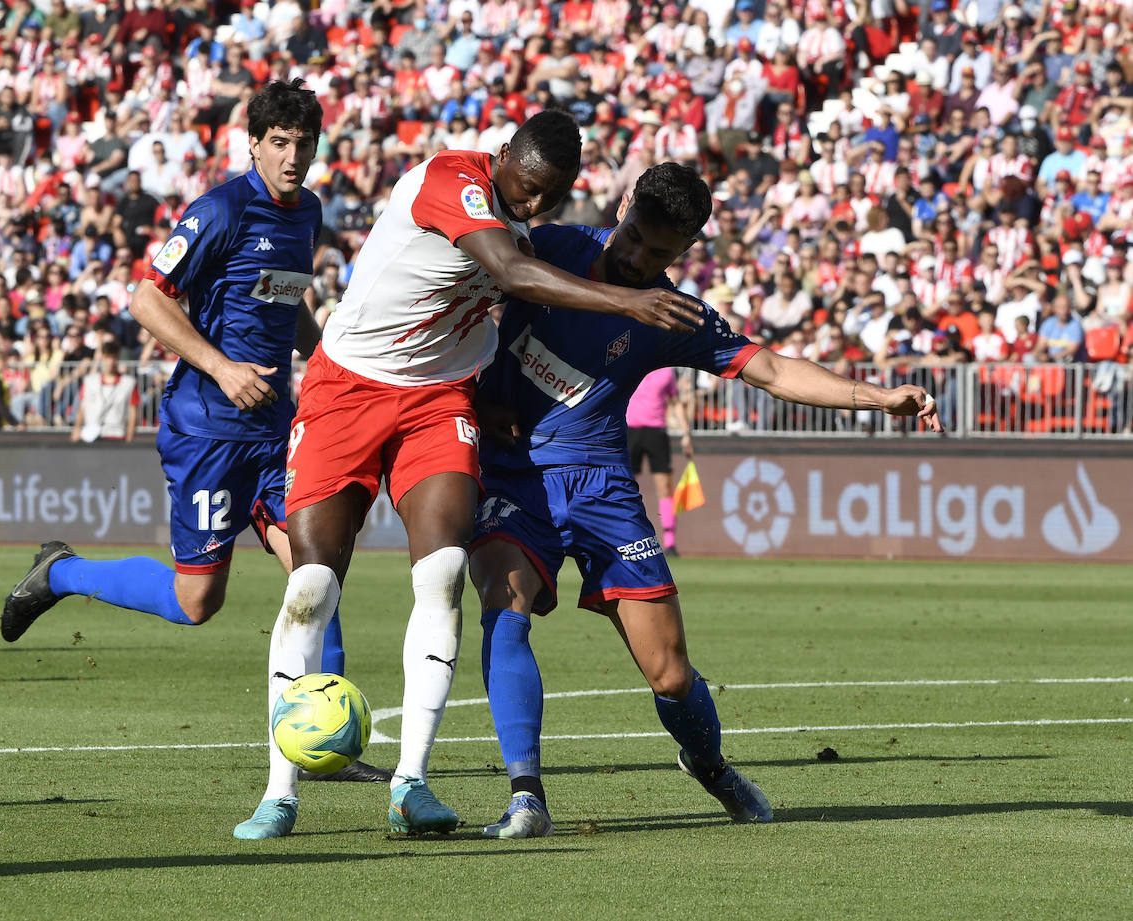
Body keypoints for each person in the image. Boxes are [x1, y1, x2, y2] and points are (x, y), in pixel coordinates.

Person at [239, 110, 708, 840]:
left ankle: (411, 783)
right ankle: (279, 791)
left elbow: (505, 306)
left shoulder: (522, 229)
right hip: (349, 389)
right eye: (524, 189)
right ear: (503, 158)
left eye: (547, 199)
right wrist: (631, 300)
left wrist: (489, 400)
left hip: (436, 401)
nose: (531, 208)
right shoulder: (450, 181)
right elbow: (513, 273)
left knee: (446, 571)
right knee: (312, 583)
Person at [467, 163, 942, 838]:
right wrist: (470, 392)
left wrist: (878, 396)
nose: (636, 256)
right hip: (514, 473)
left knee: (668, 672)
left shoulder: (673, 314)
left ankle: (711, 765)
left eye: (659, 252)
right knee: (503, 602)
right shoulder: (548, 248)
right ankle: (527, 796)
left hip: (603, 487)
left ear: (685, 250)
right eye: (633, 235)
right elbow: (458, 292)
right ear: (624, 205)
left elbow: (774, 368)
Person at [0, 82, 386, 781]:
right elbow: (146, 299)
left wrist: (321, 350)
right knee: (196, 600)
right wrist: (221, 365)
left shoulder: (311, 213)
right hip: (208, 428)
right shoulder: (221, 210)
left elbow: (283, 295)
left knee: (315, 575)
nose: (293, 156)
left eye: (305, 143)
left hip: (274, 431)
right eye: (280, 143)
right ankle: (60, 572)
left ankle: (327, 746)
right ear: (255, 143)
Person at [626, 368, 694, 556]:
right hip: (630, 431)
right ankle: (626, 538)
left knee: (665, 488)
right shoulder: (632, 361)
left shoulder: (666, 372)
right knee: (626, 487)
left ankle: (670, 544)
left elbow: (675, 402)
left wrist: (686, 433)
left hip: (657, 432)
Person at [71, 340, 139, 443]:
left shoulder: (129, 383)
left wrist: (129, 438)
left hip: (116, 435)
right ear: (102, 358)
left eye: (114, 358)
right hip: (92, 435)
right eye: (108, 358)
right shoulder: (89, 381)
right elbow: (82, 407)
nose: (111, 362)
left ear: (118, 358)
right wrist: (76, 429)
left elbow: (133, 413)